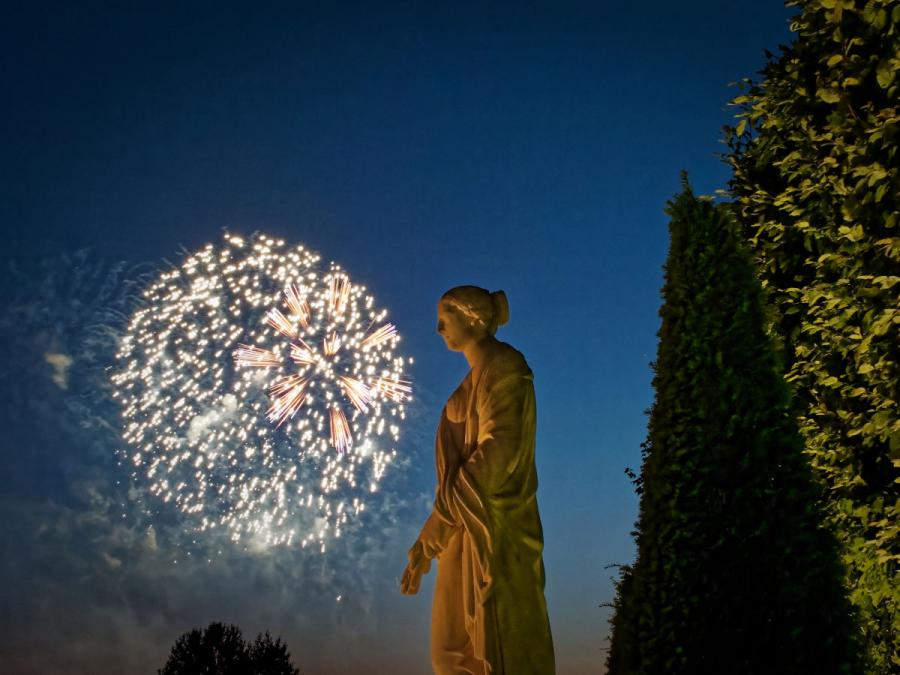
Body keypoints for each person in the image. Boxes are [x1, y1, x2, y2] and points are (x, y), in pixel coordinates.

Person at [401, 285, 555, 674]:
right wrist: (428, 538)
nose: (438, 328)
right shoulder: (463, 389)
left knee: (493, 651)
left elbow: (500, 450)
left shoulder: (506, 367)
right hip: (461, 529)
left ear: (471, 318)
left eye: (445, 318)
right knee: (449, 654)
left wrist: (440, 521)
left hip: (495, 530)